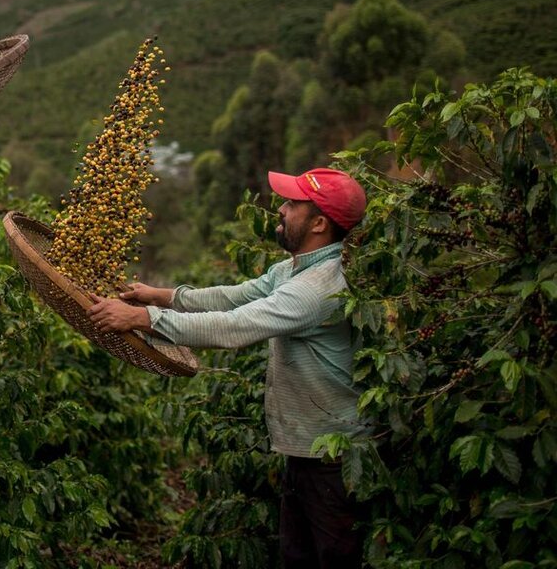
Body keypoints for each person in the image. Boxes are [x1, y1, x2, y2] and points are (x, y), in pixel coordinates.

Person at [89, 167, 368, 569]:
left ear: (320, 223)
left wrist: (144, 318)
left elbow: (236, 325)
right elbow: (235, 297)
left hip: (331, 457)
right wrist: (162, 296)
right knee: (297, 554)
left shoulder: (318, 288)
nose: (282, 209)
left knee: (334, 558)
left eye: (292, 204)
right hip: (306, 448)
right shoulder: (295, 268)